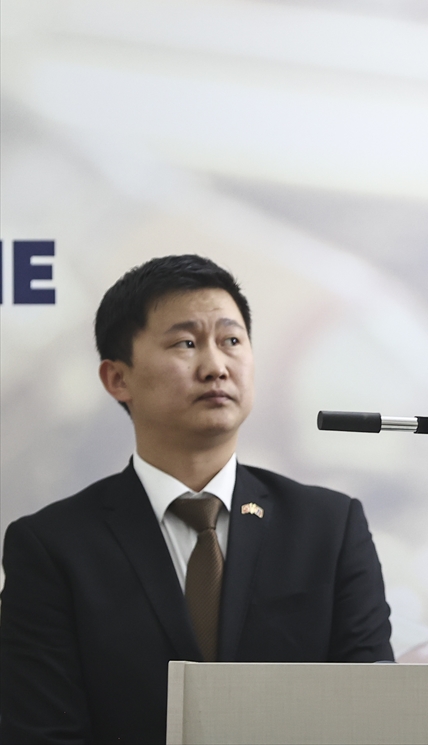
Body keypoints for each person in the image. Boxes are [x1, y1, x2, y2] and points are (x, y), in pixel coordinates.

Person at [0, 255, 392, 744]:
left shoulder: (329, 528)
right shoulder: (53, 547)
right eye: (185, 343)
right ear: (117, 378)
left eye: (231, 341)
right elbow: (41, 732)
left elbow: (374, 716)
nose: (215, 367)